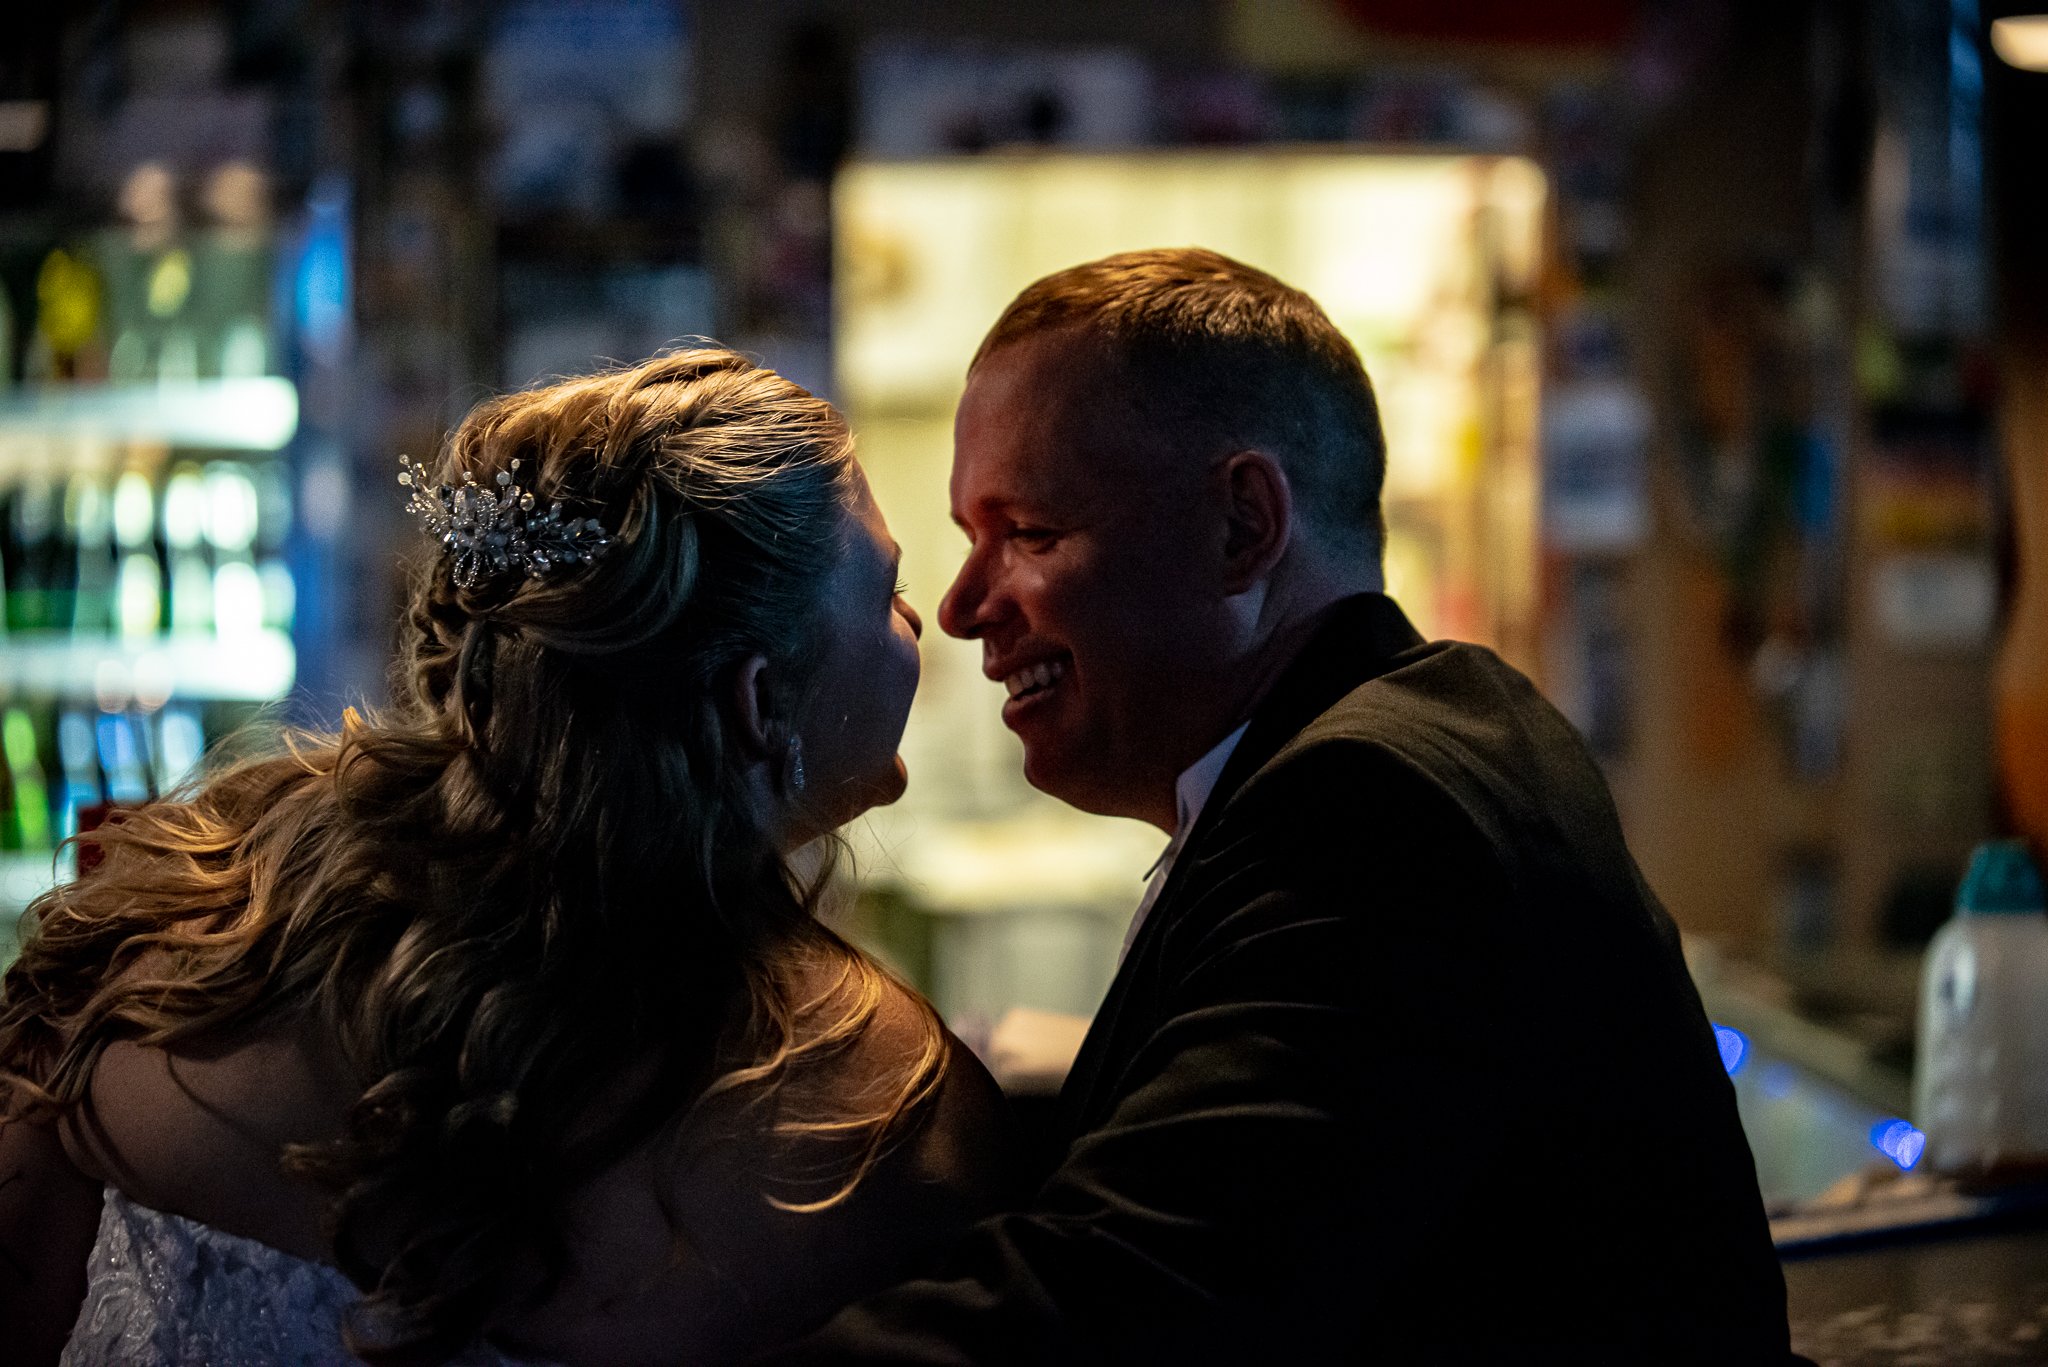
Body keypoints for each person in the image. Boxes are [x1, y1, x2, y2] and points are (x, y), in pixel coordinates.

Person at [756, 248, 1795, 1364]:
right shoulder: (1408, 735)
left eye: (1031, 534)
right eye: (971, 540)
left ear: (1242, 525)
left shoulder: (1375, 811)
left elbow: (1125, 1300)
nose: (963, 610)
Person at [0, 348, 1010, 1366]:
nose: (922, 622)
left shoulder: (185, 920)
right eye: (888, 591)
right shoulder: (887, 1125)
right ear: (756, 703)